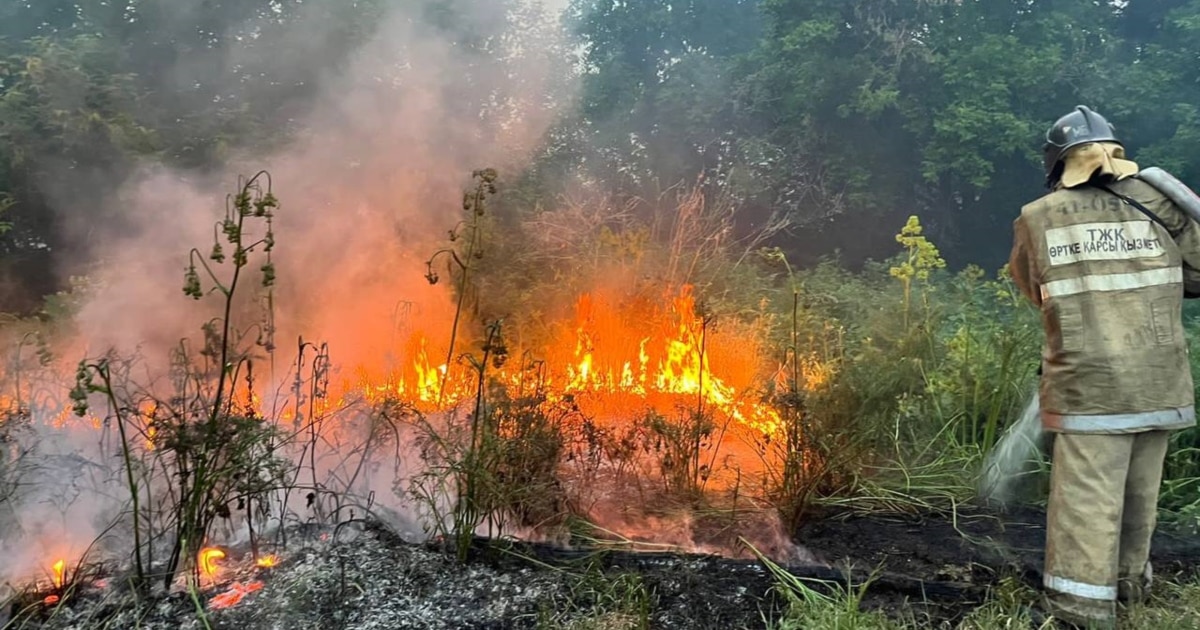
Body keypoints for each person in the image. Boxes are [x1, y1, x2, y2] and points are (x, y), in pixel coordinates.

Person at [1008, 105, 1200, 628]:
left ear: (1058, 165)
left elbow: (1032, 287)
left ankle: (1079, 610)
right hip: (1160, 380)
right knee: (1140, 496)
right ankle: (1129, 590)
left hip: (1089, 386)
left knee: (1087, 503)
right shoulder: (1162, 201)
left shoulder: (1038, 216)